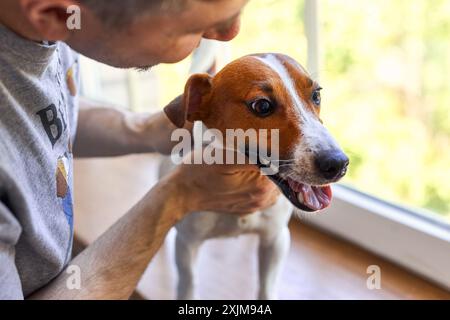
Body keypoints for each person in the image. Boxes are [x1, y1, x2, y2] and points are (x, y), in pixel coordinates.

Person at [0, 0, 279, 299]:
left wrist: (145, 129)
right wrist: (178, 196)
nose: (230, 34)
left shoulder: (47, 23)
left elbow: (39, 115)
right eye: (193, 28)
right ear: (54, 14)